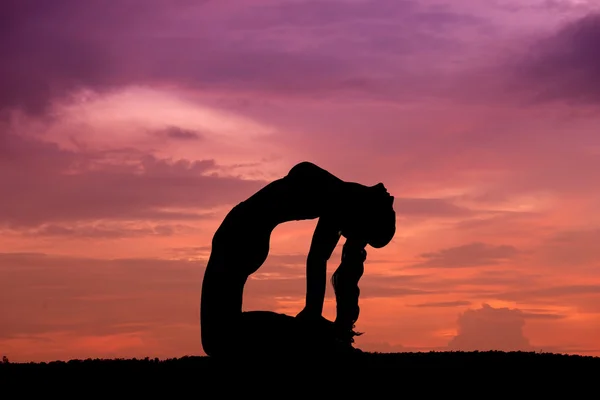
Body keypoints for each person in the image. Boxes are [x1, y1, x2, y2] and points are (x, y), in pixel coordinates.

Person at [200, 161, 396, 358]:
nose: (347, 237)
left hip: (239, 233)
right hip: (238, 235)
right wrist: (313, 315)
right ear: (363, 221)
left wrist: (314, 316)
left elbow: (322, 259)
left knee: (219, 336)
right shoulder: (339, 198)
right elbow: (318, 258)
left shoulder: (340, 196)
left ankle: (309, 334)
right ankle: (310, 334)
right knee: (219, 337)